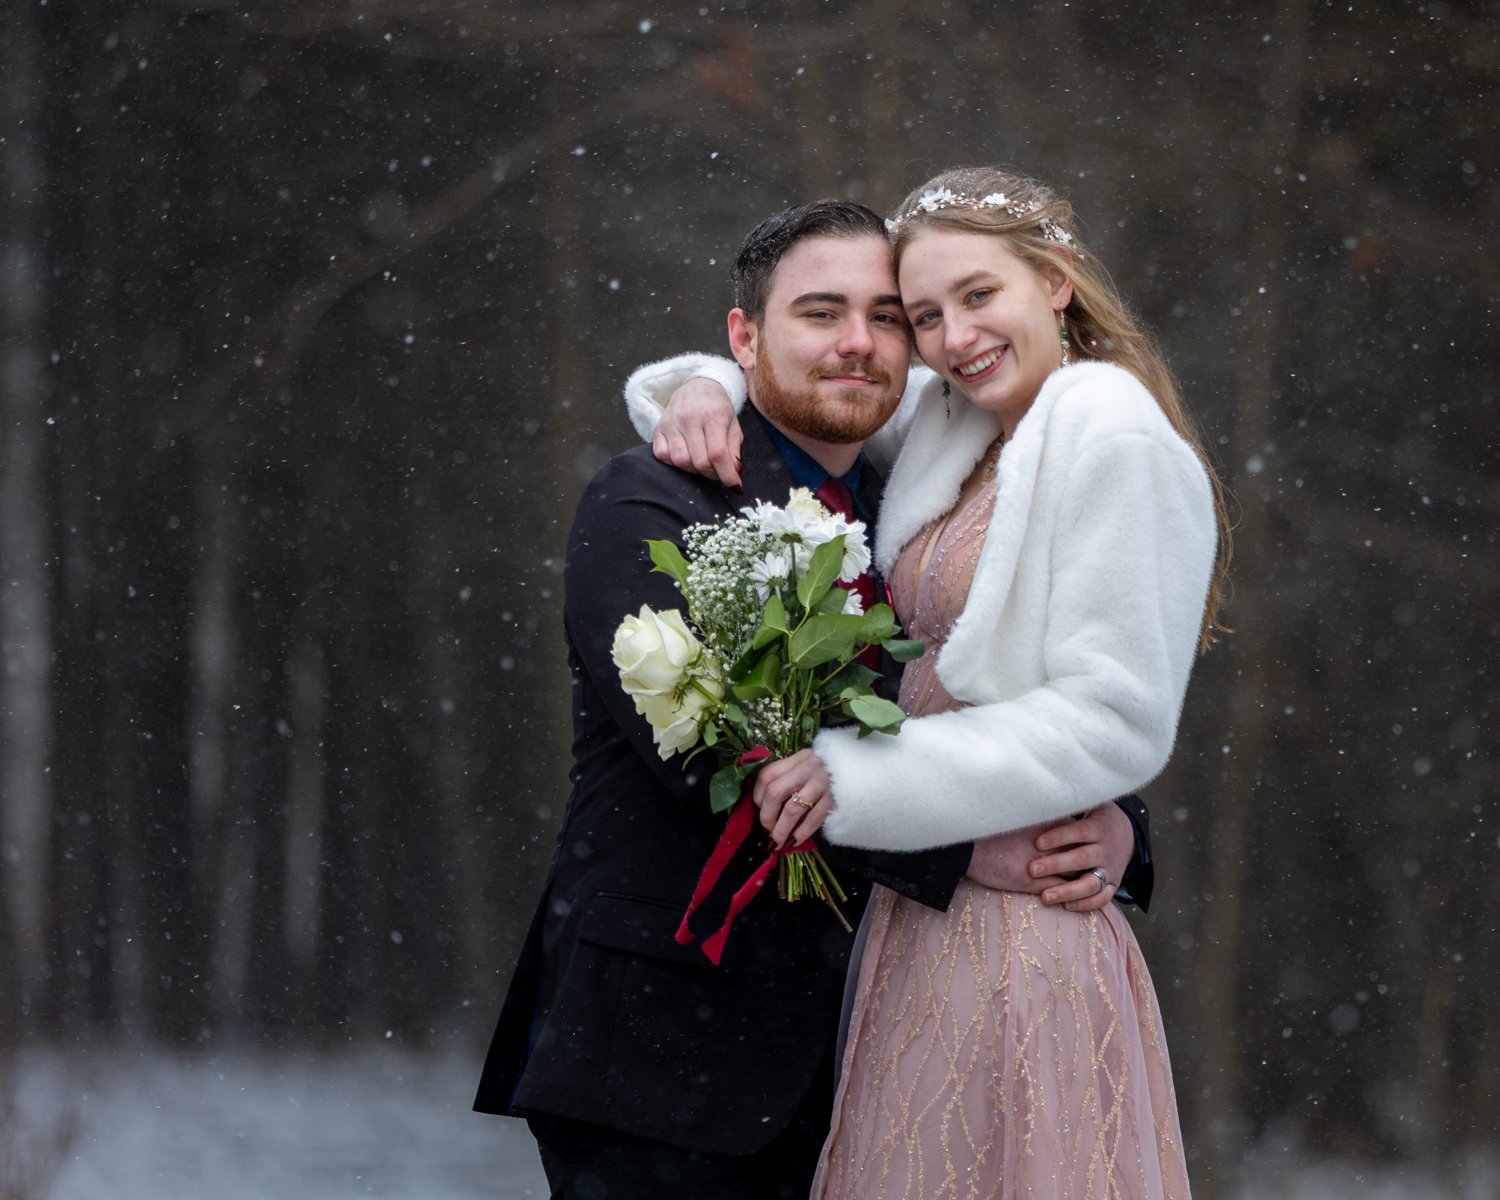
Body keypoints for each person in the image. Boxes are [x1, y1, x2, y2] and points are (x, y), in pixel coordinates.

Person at [473, 198, 1157, 1200]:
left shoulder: (923, 517)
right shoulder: (649, 503)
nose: (858, 344)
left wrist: (1116, 828)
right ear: (743, 338)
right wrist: (972, 852)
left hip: (888, 1060)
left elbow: (1008, 695)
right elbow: (723, 757)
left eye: (888, 318)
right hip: (667, 1067)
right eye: (821, 313)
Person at [623, 167, 1231, 1198]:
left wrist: (864, 783)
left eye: (979, 296)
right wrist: (708, 385)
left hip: (1020, 924)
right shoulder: (967, 427)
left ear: (1056, 280)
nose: (953, 337)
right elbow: (822, 388)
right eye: (927, 314)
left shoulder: (1112, 437)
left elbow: (1113, 716)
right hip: (920, 921)